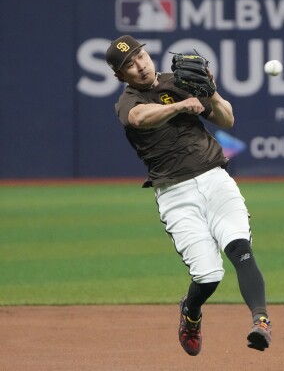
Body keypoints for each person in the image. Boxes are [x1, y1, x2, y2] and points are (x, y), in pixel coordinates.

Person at [105, 35, 271, 356]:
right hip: (175, 193)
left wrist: (212, 92)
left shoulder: (178, 81)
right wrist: (181, 105)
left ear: (147, 55)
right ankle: (190, 312)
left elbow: (227, 118)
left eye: (139, 57)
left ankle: (260, 321)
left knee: (239, 247)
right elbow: (139, 118)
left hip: (216, 179)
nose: (138, 66)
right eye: (128, 65)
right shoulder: (127, 101)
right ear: (120, 75)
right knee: (209, 276)